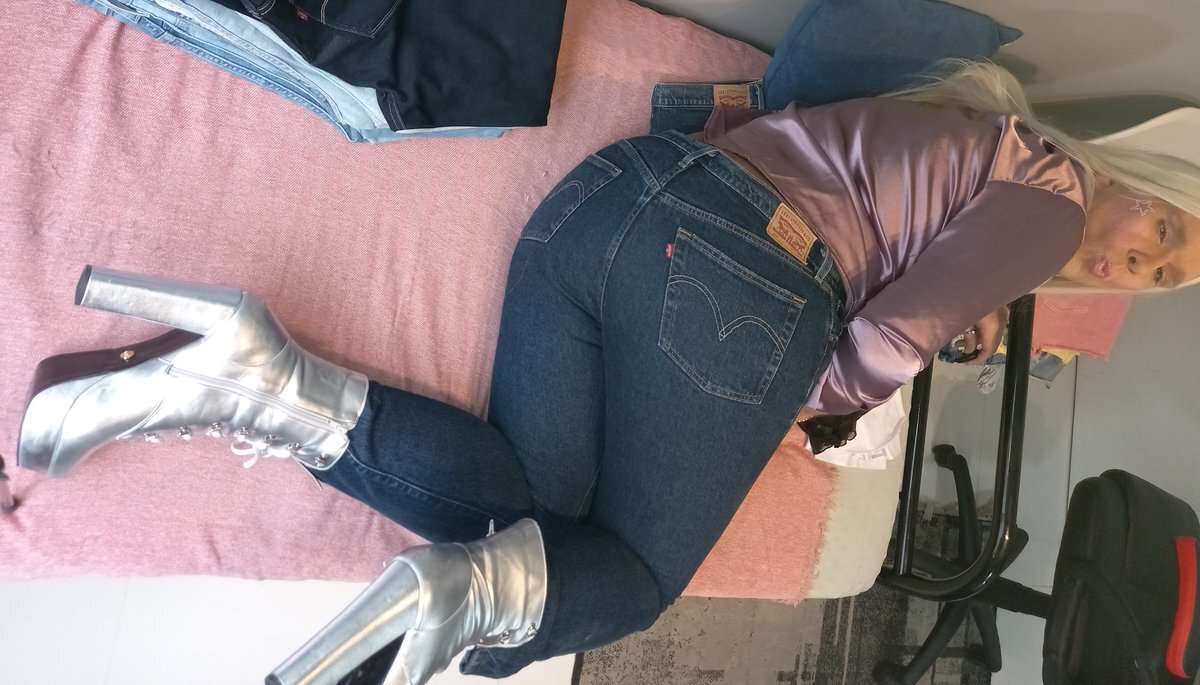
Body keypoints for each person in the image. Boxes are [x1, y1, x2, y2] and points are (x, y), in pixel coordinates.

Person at [16, 60, 1200, 685]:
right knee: (628, 580)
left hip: (611, 199)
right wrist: (813, 403)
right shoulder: (1054, 196)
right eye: (1169, 226)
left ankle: (255, 378)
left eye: (1162, 275)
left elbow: (900, 248)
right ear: (1152, 171)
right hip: (744, 278)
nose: (1140, 258)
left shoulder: (981, 131)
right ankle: (447, 596)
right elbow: (883, 346)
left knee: (533, 511)